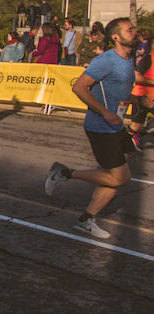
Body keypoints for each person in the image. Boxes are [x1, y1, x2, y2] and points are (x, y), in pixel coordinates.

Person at [45, 18, 139, 239]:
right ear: (116, 37)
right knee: (120, 178)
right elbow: (79, 87)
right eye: (130, 30)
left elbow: (121, 89)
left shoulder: (127, 59)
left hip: (116, 125)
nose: (135, 32)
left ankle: (87, 219)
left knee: (114, 175)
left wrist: (140, 100)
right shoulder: (105, 60)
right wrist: (105, 112)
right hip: (101, 127)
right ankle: (64, 173)